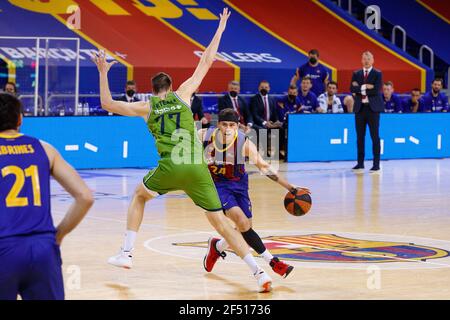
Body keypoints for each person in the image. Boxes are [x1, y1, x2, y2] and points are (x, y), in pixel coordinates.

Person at [93, 8, 274, 292]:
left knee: (139, 196)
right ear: (171, 87)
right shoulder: (185, 94)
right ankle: (259, 273)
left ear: (152, 90)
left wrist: (103, 72)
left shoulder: (146, 106)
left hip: (172, 165)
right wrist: (221, 28)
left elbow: (107, 104)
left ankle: (126, 253)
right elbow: (207, 59)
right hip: (197, 166)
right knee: (222, 225)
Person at [0, 93, 93, 300]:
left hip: (4, 248)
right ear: (20, 119)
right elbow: (85, 196)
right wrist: (58, 235)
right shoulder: (44, 148)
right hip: (43, 249)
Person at [199, 109, 310, 278]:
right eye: (224, 124)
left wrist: (289, 187)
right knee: (241, 221)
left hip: (239, 185)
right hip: (218, 186)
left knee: (245, 228)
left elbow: (264, 167)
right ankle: (273, 262)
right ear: (218, 125)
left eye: (232, 125)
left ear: (237, 126)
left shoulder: (244, 143)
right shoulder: (204, 136)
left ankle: (218, 246)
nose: (228, 128)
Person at [350, 51, 383, 173]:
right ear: (361, 60)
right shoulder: (356, 73)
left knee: (375, 136)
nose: (366, 60)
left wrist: (360, 88)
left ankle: (376, 163)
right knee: (360, 137)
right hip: (360, 108)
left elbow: (376, 90)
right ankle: (360, 163)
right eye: (364, 58)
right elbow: (352, 88)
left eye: (369, 58)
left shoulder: (377, 73)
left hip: (373, 109)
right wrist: (366, 86)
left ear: (373, 60)